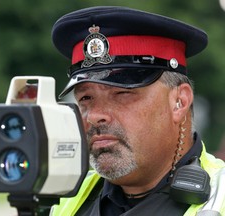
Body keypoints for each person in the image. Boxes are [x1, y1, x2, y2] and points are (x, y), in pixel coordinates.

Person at [50, 6, 225, 216]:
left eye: (122, 93)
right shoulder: (65, 198)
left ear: (179, 101)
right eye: (86, 98)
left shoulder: (219, 196)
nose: (95, 116)